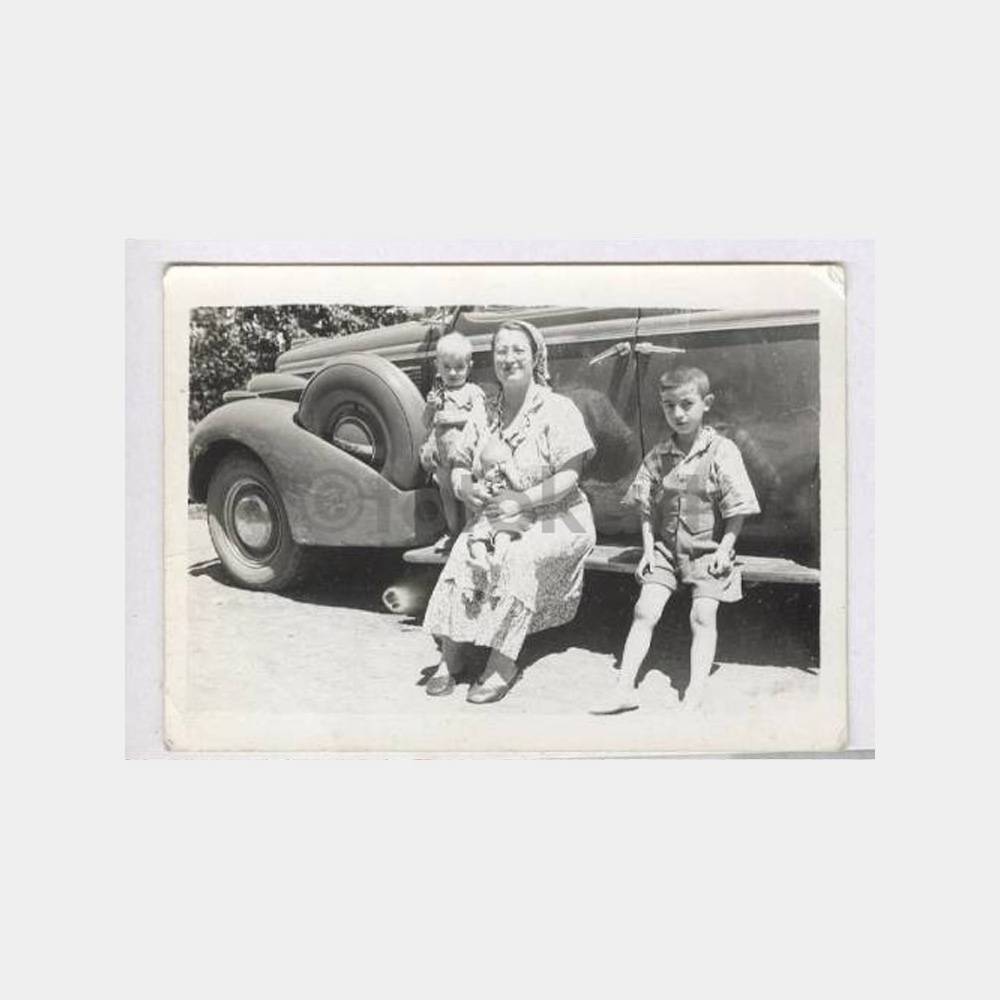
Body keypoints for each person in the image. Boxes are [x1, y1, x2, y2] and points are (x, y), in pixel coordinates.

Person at [422, 320, 596, 704]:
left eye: (518, 350)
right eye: (501, 350)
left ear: (536, 357)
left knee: (518, 557)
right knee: (463, 551)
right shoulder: (484, 410)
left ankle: (502, 663)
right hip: (497, 516)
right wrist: (466, 488)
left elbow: (570, 475)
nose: (509, 358)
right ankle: (451, 657)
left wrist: (522, 500)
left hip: (559, 515)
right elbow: (460, 465)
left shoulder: (557, 409)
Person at [591, 367, 760, 715]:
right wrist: (648, 551)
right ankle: (624, 688)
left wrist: (725, 549)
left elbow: (737, 509)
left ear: (706, 403)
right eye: (669, 406)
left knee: (703, 614)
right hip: (666, 551)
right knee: (645, 610)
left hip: (707, 551)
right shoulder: (658, 455)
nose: (678, 414)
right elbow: (645, 507)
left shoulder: (721, 451)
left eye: (687, 404)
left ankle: (694, 691)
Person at [419, 332, 488, 550]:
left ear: (469, 367)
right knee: (447, 494)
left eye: (459, 367)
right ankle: (452, 532)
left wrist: (450, 418)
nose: (452, 373)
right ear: (437, 366)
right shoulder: (437, 394)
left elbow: (480, 419)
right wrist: (430, 408)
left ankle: (469, 532)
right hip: (443, 456)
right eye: (447, 367)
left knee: (466, 492)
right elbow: (426, 423)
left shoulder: (473, 392)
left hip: (464, 457)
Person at [464, 434, 533, 582]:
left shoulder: (511, 478)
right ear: (483, 471)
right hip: (487, 519)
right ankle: (481, 560)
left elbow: (522, 487)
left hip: (508, 516)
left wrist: (510, 472)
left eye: (501, 464)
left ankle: (497, 559)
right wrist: (479, 492)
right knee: (476, 538)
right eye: (490, 467)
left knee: (503, 534)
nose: (496, 469)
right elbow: (477, 497)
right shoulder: (485, 482)